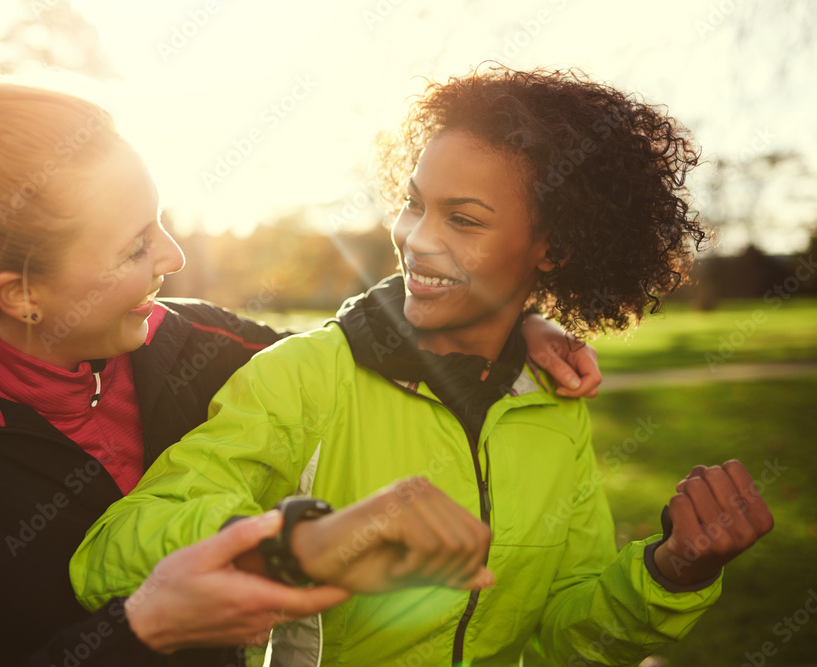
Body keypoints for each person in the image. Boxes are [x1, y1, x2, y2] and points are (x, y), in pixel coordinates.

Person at [0, 44, 600, 666]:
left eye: (157, 220)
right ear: (23, 295)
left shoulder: (199, 344)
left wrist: (507, 322)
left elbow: (350, 352)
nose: (174, 254)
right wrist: (143, 629)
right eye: (133, 246)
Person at [69, 66, 775, 666]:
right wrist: (298, 541)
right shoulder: (307, 374)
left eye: (462, 220)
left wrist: (671, 572)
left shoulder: (553, 405)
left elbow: (566, 637)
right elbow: (110, 554)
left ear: (552, 248)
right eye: (413, 204)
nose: (416, 239)